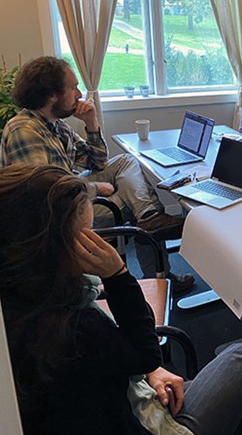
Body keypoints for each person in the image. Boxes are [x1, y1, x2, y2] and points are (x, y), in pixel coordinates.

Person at [0, 164, 242, 435]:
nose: (98, 242)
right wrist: (118, 275)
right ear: (55, 246)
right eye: (87, 234)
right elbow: (146, 354)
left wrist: (150, 373)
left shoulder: (25, 300)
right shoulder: (74, 328)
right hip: (140, 422)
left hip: (129, 397)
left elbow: (133, 362)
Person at [0, 56, 194, 293]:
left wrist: (91, 121)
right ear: (51, 95)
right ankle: (157, 271)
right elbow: (46, 193)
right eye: (73, 88)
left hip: (72, 190)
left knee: (125, 162)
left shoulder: (54, 124)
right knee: (132, 200)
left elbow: (98, 161)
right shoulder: (26, 131)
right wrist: (94, 189)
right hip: (59, 213)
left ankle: (149, 216)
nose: (80, 94)